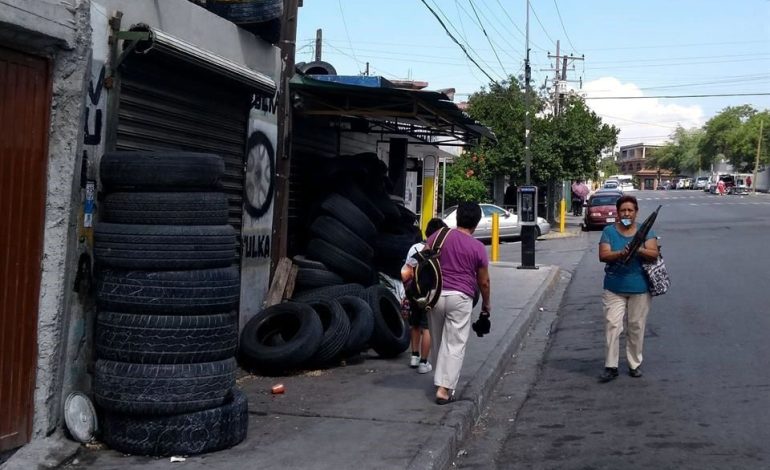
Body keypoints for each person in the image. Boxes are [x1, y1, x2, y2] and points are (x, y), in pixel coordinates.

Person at [427, 202, 491, 404]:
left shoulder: (437, 236)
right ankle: (444, 389)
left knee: (438, 341)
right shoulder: (477, 247)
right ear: (476, 223)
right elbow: (484, 281)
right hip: (461, 297)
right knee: (455, 343)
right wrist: (486, 305)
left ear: (457, 217)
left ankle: (439, 381)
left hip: (435, 295)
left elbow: (423, 261)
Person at [598, 195, 659, 382]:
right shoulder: (609, 231)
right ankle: (611, 366)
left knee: (636, 327)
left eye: (630, 210)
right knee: (613, 325)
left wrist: (638, 249)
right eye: (623, 210)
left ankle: (634, 364)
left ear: (636, 212)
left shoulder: (645, 231)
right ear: (618, 213)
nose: (626, 214)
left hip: (640, 288)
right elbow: (603, 255)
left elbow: (653, 253)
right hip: (614, 287)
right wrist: (620, 253)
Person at [401, 217, 448, 374]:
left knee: (414, 324)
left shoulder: (414, 248)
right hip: (431, 294)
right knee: (426, 327)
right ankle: (423, 362)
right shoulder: (439, 252)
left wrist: (408, 291)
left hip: (415, 292)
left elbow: (405, 272)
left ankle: (414, 357)